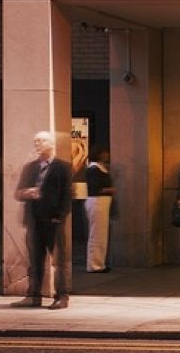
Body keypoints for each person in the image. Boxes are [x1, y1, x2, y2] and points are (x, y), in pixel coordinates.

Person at [12, 130, 73, 309]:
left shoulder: (63, 167)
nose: (37, 144)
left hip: (53, 221)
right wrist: (27, 193)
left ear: (51, 144)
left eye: (41, 141)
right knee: (35, 260)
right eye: (35, 141)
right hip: (34, 221)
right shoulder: (30, 167)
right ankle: (33, 295)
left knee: (59, 261)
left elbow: (67, 195)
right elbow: (18, 193)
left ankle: (61, 296)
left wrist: (59, 216)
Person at [84, 146, 114, 273]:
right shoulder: (93, 169)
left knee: (101, 234)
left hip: (102, 202)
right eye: (104, 153)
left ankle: (99, 262)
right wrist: (108, 190)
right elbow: (94, 188)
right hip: (97, 202)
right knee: (96, 234)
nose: (107, 155)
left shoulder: (100, 168)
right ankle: (94, 264)